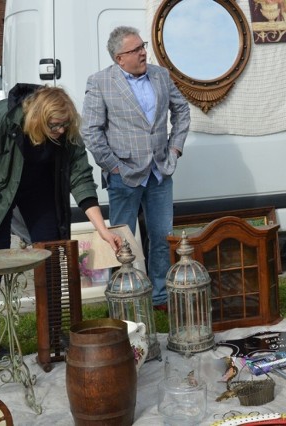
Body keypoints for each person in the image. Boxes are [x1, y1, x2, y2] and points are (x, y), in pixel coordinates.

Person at [0, 84, 121, 306]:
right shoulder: (1, 117)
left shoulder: (68, 133)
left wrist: (102, 229)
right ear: (38, 118)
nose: (62, 130)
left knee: (50, 256)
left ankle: (52, 333)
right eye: (55, 126)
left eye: (65, 124)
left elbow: (81, 179)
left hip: (39, 191)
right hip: (0, 188)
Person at [81, 26, 190, 311]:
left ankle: (160, 297)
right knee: (121, 241)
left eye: (143, 47)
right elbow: (90, 131)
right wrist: (112, 166)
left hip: (159, 172)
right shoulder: (100, 82)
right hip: (124, 176)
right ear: (120, 58)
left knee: (161, 236)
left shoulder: (160, 75)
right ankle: (123, 298)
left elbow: (182, 111)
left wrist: (175, 148)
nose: (143, 52)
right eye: (136, 49)